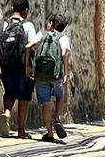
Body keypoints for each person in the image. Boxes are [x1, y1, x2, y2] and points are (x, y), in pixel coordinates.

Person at [0, 0, 37, 138]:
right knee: (24, 97)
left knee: (9, 92)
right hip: (22, 67)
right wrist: (28, 67)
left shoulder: (3, 25)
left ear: (12, 9)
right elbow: (31, 48)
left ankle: (7, 113)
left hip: (6, 66)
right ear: (25, 11)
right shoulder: (28, 26)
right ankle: (21, 130)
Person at [28, 14, 72, 143]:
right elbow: (64, 55)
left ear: (51, 23)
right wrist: (66, 73)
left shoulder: (41, 34)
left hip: (41, 75)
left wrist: (28, 65)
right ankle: (57, 119)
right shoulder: (63, 38)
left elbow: (29, 46)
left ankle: (49, 133)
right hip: (55, 74)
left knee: (46, 103)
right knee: (60, 95)